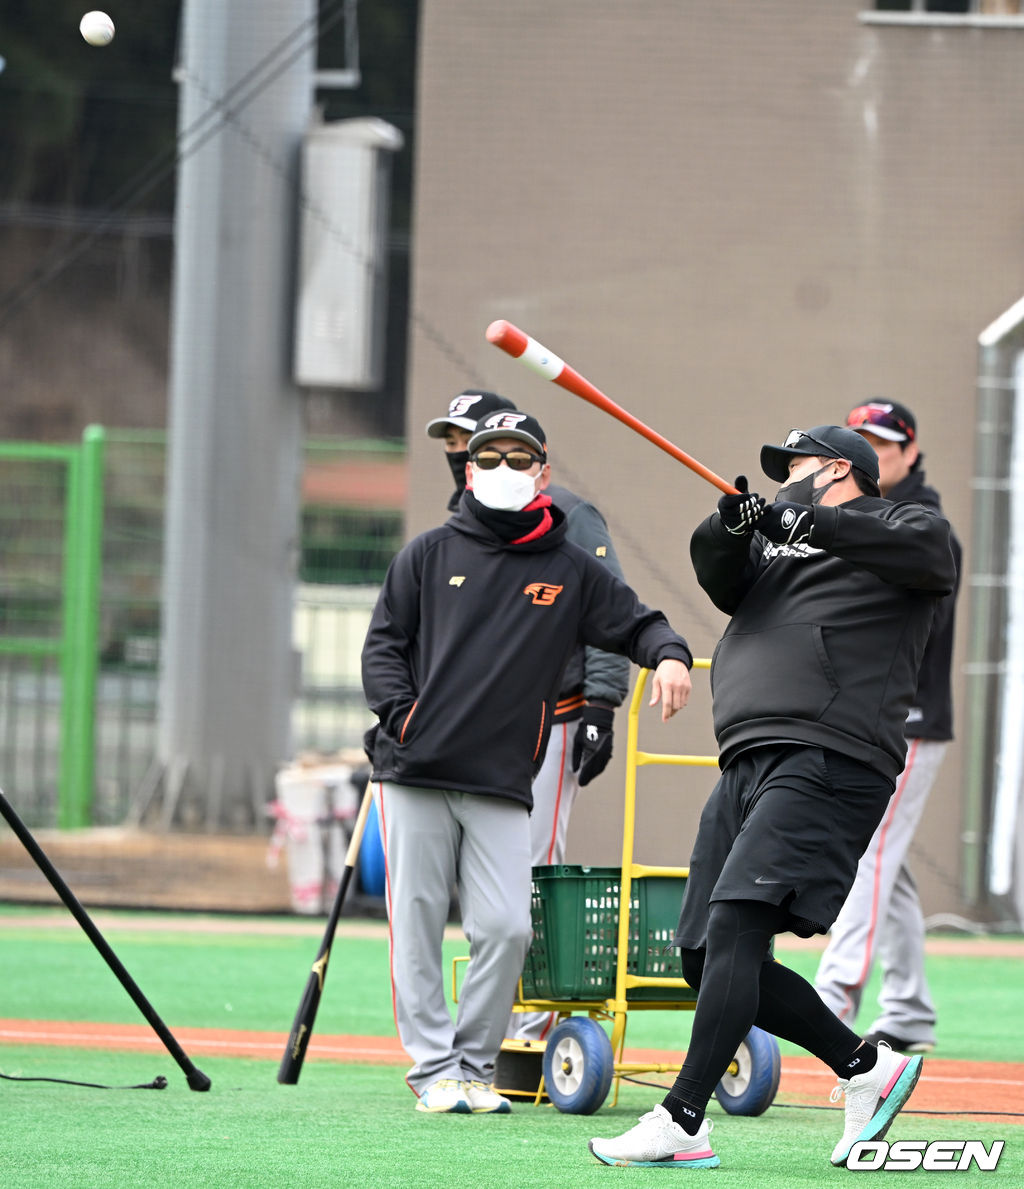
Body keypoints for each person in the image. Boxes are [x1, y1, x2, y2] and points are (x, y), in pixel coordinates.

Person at [589, 425, 956, 1169]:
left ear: (840, 471)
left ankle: (683, 1114)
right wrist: (728, 528)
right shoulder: (775, 552)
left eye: (801, 467)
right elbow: (719, 576)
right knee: (702, 953)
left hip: (830, 751)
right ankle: (865, 1065)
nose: (789, 480)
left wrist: (806, 520)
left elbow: (929, 557)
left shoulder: (900, 524)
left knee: (736, 924)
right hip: (749, 757)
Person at [362, 409, 694, 1114]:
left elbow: (633, 620)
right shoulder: (426, 554)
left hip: (503, 776)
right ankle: (433, 1070)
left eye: (520, 459)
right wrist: (403, 715)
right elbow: (383, 646)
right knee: (417, 923)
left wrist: (666, 653)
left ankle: (475, 1066)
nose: (504, 471)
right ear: (471, 471)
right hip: (414, 770)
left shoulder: (569, 567)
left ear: (543, 472)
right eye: (492, 459)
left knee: (509, 926)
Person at [426, 389, 631, 1043]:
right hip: (470, 729)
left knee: (533, 869)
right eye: (453, 443)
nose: (457, 452)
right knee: (479, 874)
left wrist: (602, 699)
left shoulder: (567, 512)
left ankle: (532, 1017)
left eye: (468, 439)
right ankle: (497, 1012)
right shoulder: (460, 526)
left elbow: (612, 605)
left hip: (556, 712)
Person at [814, 401, 962, 1054]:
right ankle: (909, 1010)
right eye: (858, 441)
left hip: (909, 717)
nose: (871, 450)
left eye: (881, 440)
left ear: (908, 449)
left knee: (869, 855)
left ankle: (832, 995)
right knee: (888, 866)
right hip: (876, 716)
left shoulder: (922, 521)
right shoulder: (862, 520)